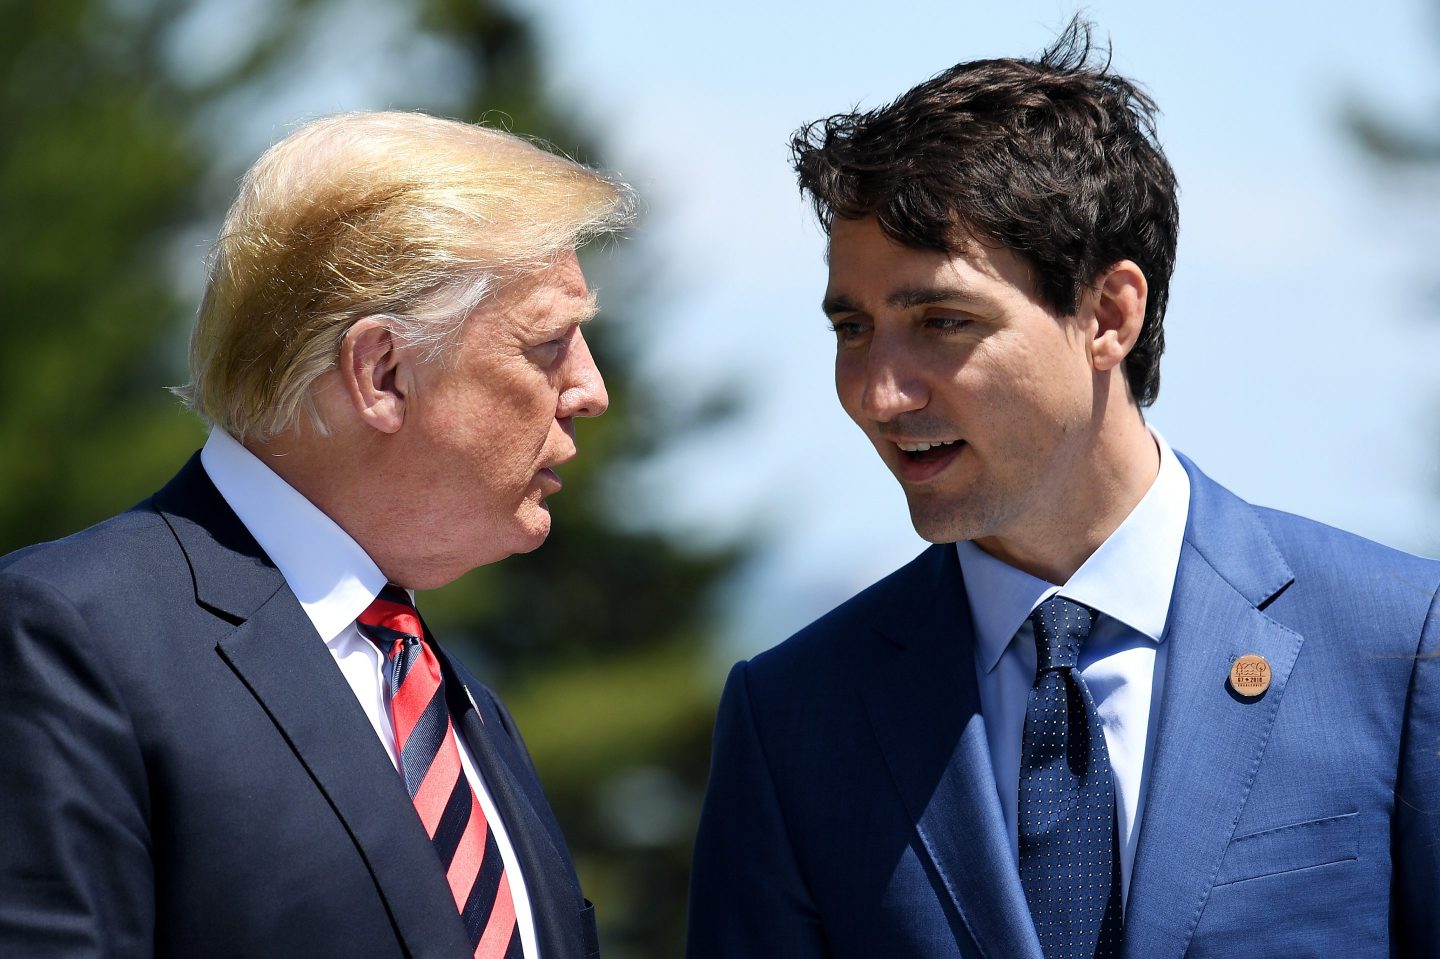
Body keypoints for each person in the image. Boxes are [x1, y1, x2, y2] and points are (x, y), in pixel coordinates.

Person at [687, 20, 1439, 959]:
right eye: (852, 328)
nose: (880, 392)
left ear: (1109, 314)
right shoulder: (794, 718)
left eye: (943, 320)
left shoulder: (1399, 646)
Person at [0, 111, 634, 959]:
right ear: (382, 372)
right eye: (549, 342)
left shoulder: (458, 702)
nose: (589, 388)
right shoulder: (67, 638)